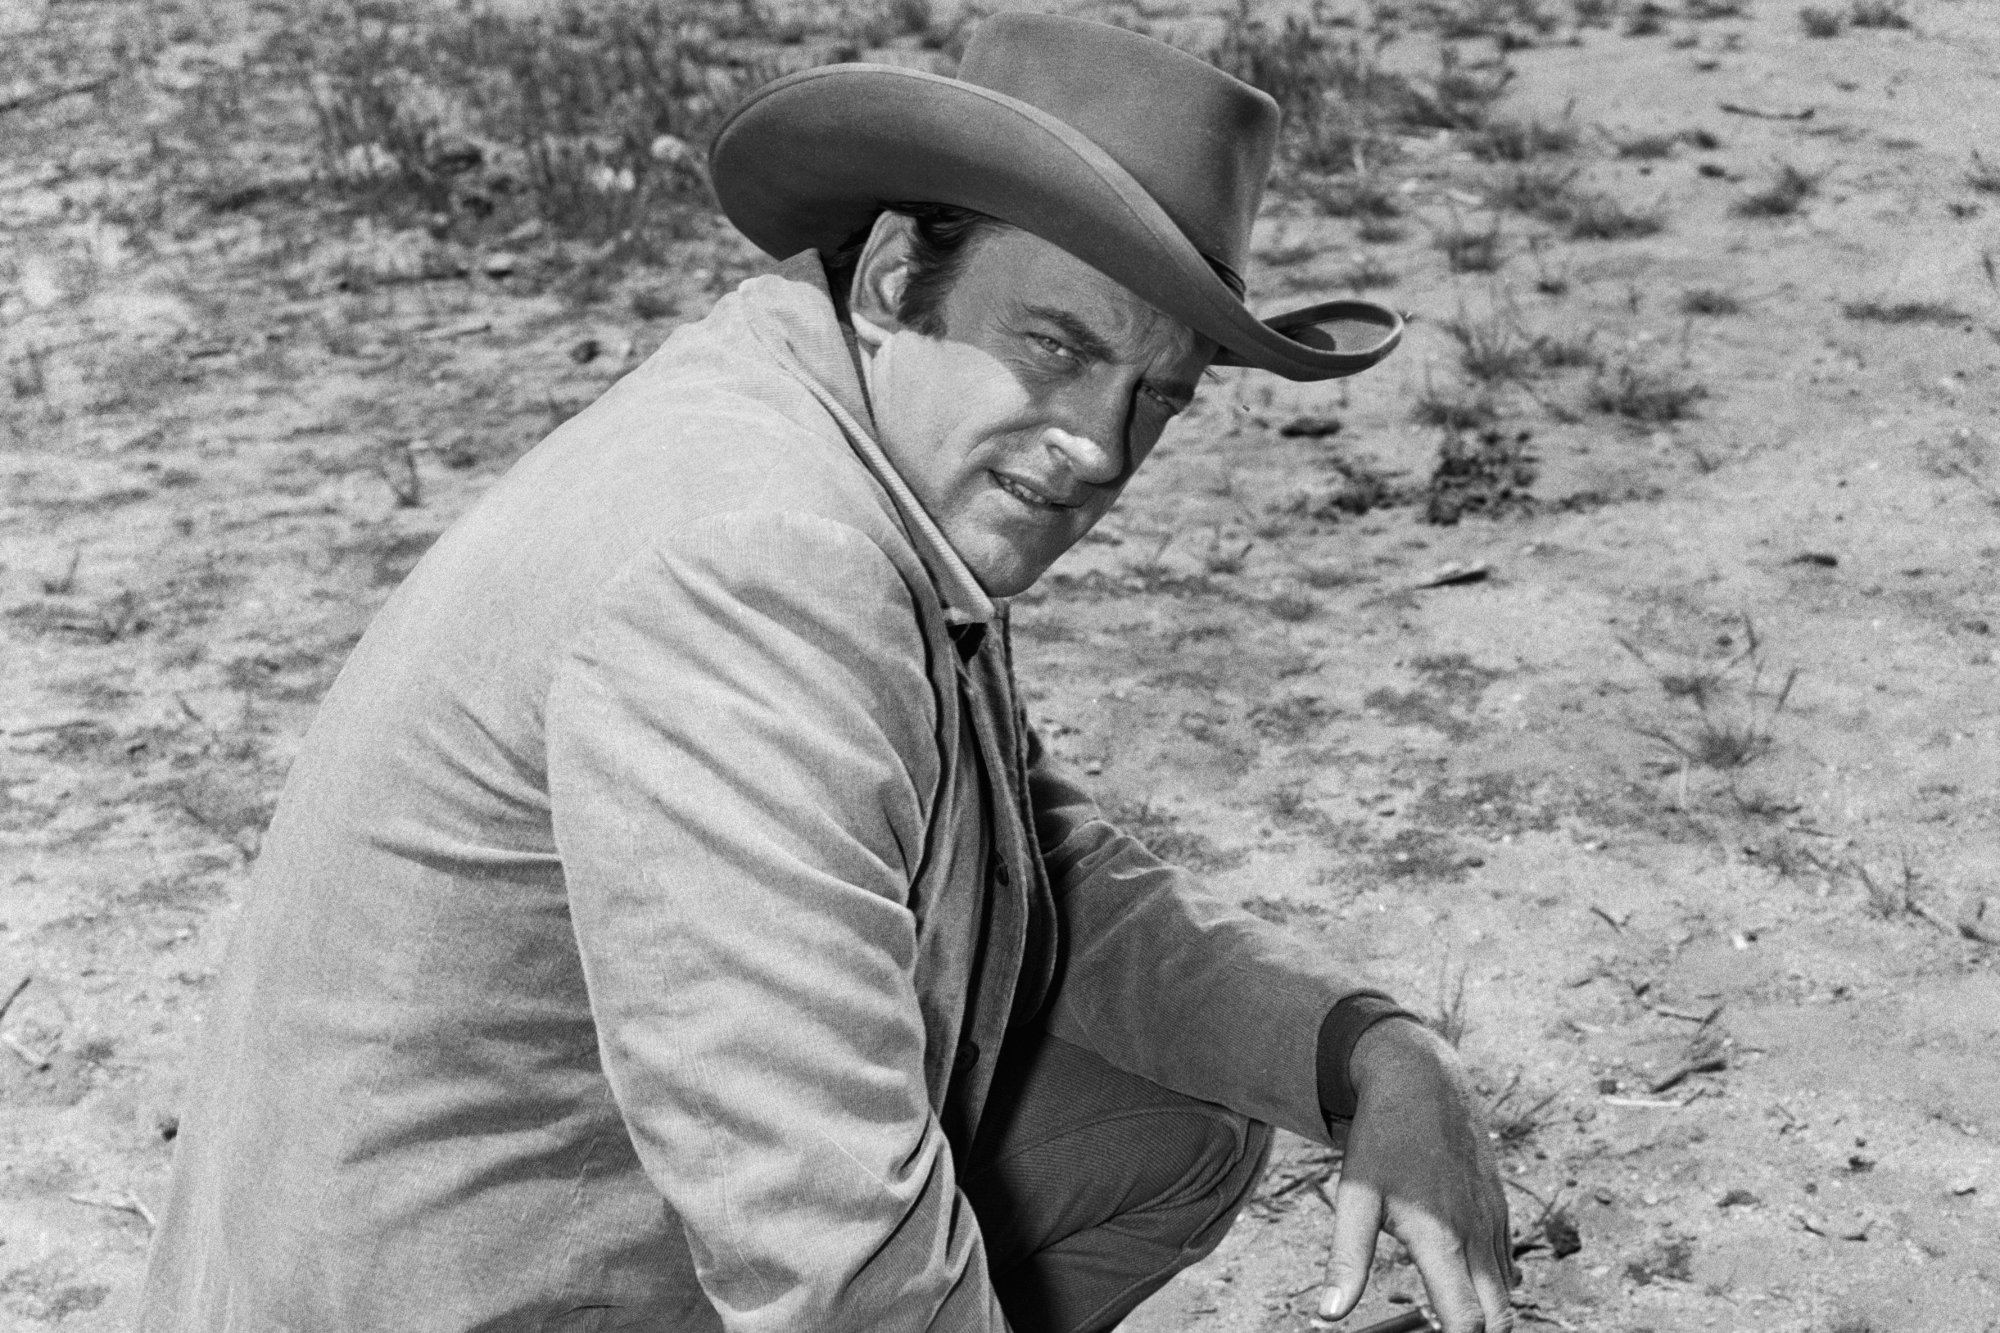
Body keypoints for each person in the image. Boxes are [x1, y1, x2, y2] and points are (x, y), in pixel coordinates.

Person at [141, 13, 1515, 1333]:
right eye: (1059, 345)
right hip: (469, 1296)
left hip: (550, 1220)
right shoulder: (763, 559)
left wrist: (1370, 1048)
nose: (1101, 447)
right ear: (892, 281)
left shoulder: (843, 440)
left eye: (1155, 393)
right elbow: (830, 1246)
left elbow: (1034, 876)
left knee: (1182, 1118)